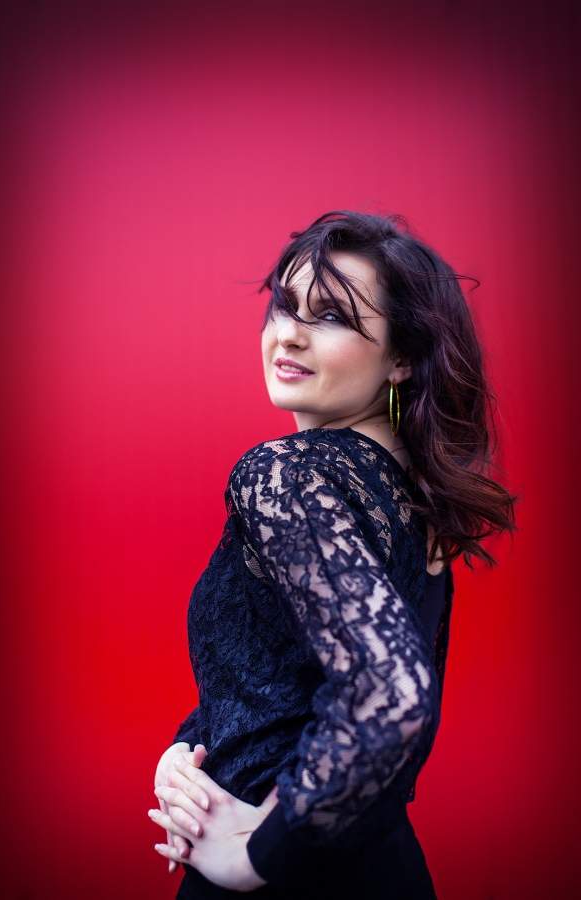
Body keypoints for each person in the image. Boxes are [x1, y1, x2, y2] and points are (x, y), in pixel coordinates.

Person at [148, 211, 516, 899]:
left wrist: (259, 855)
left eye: (331, 316)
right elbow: (287, 675)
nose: (288, 332)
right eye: (284, 305)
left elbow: (392, 697)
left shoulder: (287, 473)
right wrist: (190, 752)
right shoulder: (413, 496)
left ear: (402, 358)